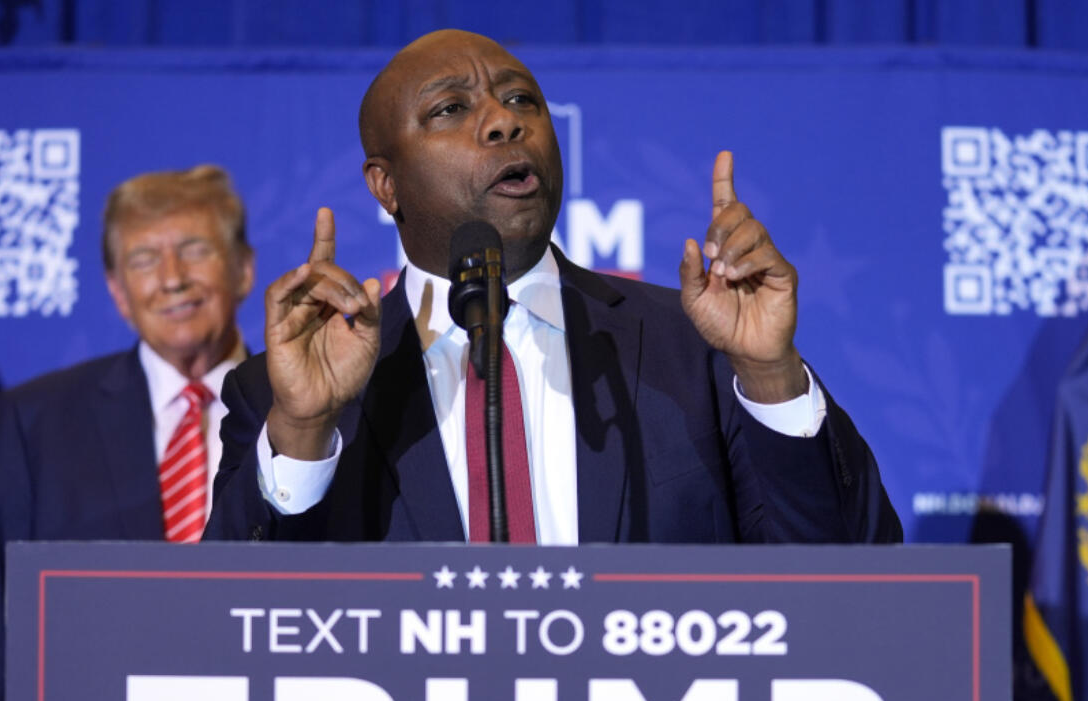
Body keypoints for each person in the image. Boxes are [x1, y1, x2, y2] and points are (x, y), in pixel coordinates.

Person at [203, 29, 901, 545]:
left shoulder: (694, 346)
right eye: (449, 109)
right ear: (385, 185)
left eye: (521, 100)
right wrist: (300, 430)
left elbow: (854, 572)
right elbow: (225, 630)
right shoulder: (295, 390)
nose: (505, 121)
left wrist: (772, 374)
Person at [0, 165, 255, 701]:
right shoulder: (39, 420)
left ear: (244, 270)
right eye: (144, 258)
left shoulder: (313, 409)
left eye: (195, 250)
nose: (172, 277)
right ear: (117, 291)